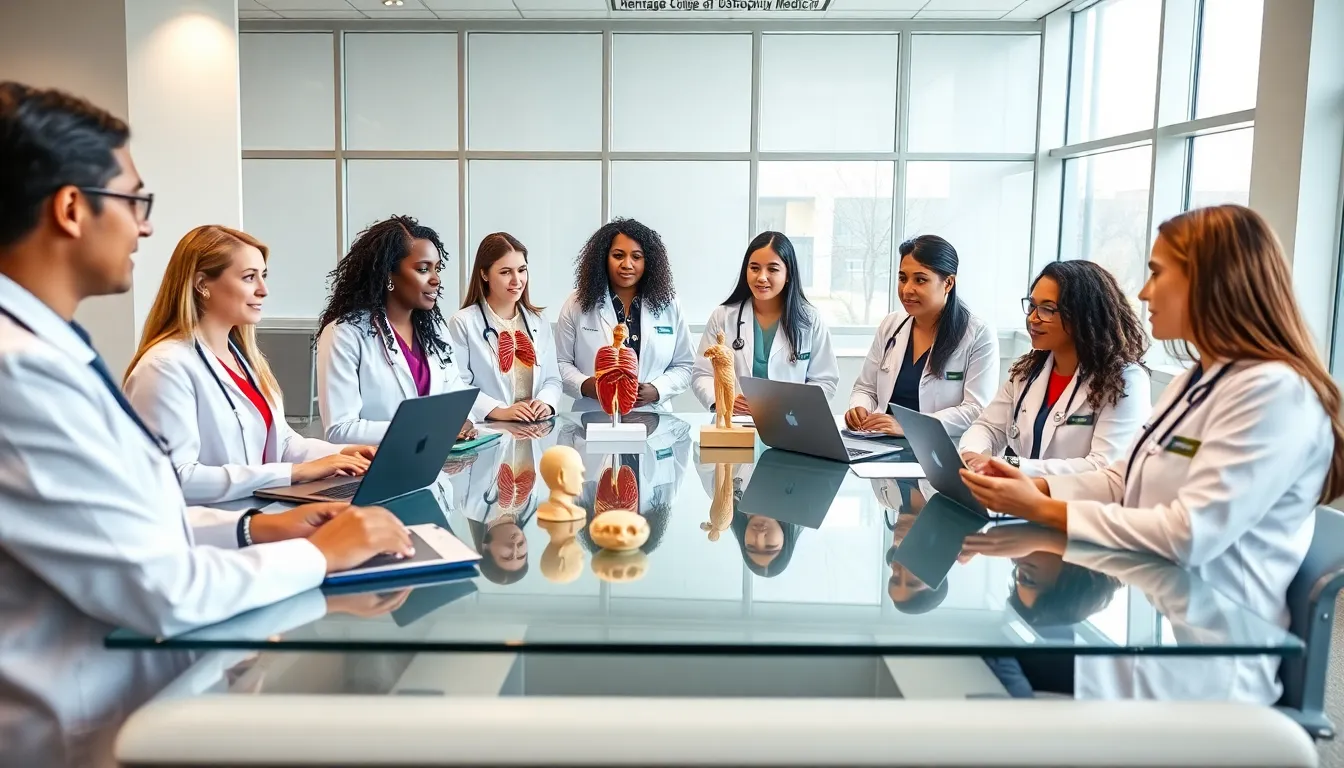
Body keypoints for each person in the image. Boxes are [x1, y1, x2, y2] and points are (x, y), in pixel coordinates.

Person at [0, 82, 411, 757]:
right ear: (72, 208)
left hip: (132, 703)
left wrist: (254, 527)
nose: (147, 226)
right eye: (136, 201)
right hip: (76, 731)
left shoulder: (47, 350)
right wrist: (316, 555)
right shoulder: (21, 371)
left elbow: (122, 516)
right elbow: (160, 588)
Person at [960, 204, 1344, 703]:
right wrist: (1031, 486)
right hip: (1154, 613)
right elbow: (1122, 481)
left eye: (1158, 274)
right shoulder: (1198, 379)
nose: (1143, 292)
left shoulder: (1272, 393)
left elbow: (1188, 535)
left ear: (1212, 282)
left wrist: (1045, 509)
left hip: (1208, 664)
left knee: (992, 653)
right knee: (993, 637)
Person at [123, 225, 376, 505]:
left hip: (265, 514)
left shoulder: (244, 359)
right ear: (201, 285)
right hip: (213, 532)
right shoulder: (164, 367)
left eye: (264, 276)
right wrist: (294, 473)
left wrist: (344, 454)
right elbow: (175, 478)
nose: (263, 290)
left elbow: (282, 443)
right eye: (249, 277)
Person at [959, 260, 1151, 477]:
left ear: (1083, 316)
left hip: (1077, 507)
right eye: (1032, 306)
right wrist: (972, 454)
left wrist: (1011, 465)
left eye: (1047, 310)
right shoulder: (1028, 371)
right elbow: (987, 427)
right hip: (1021, 499)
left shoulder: (1125, 380)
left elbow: (1104, 466)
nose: (1033, 318)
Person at [316, 215, 477, 445]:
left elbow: (455, 396)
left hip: (437, 470)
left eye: (437, 269)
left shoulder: (435, 331)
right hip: (375, 471)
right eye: (423, 269)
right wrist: (424, 428)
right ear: (389, 274)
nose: (436, 279)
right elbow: (340, 429)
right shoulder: (345, 334)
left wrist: (464, 421)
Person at [845, 235, 998, 437]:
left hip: (941, 448)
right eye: (902, 278)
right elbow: (866, 388)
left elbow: (976, 409)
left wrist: (910, 426)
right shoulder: (891, 325)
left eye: (920, 280)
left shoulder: (978, 334)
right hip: (882, 442)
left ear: (948, 283)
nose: (907, 289)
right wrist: (859, 408)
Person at [554, 218, 694, 411]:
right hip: (593, 416)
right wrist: (587, 386)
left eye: (636, 257)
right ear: (603, 257)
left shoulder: (669, 304)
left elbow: (685, 364)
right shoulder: (577, 303)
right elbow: (560, 363)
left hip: (653, 419)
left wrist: (657, 390)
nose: (627, 264)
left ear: (649, 261)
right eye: (618, 255)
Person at [691, 231, 839, 414]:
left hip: (790, 423)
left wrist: (791, 404)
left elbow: (825, 381)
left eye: (773, 269)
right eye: (754, 268)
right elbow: (701, 373)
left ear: (788, 275)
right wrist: (722, 400)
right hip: (736, 423)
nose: (761, 277)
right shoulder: (723, 316)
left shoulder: (810, 321)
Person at [447, 232, 562, 423]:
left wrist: (546, 403)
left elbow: (552, 379)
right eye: (505, 272)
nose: (517, 280)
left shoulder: (538, 321)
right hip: (491, 430)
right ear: (484, 274)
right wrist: (499, 411)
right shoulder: (462, 323)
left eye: (522, 270)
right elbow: (458, 385)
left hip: (533, 429)